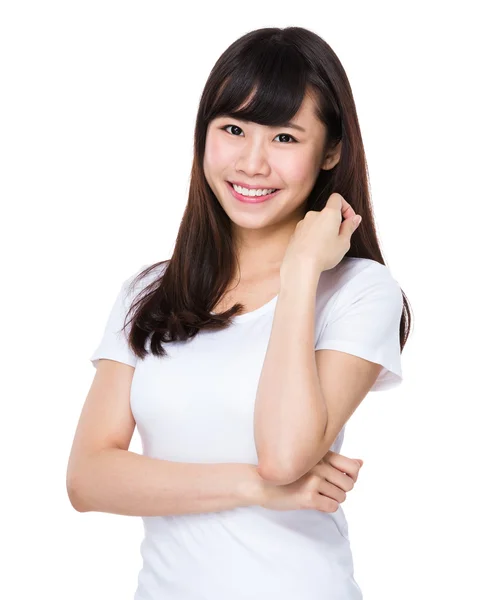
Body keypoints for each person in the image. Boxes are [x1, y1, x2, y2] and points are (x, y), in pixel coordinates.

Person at [67, 26, 412, 600]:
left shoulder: (361, 291)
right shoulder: (149, 292)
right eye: (233, 129)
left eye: (283, 137)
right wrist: (255, 489)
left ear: (330, 151)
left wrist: (302, 270)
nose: (252, 163)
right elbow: (87, 479)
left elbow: (283, 455)